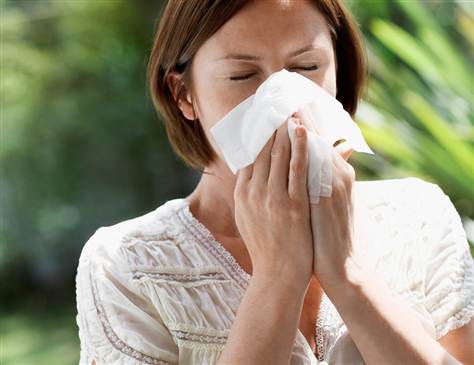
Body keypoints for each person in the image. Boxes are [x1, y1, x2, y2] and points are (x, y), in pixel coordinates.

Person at [75, 0, 474, 364]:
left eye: (306, 68)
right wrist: (277, 277)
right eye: (243, 75)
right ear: (183, 95)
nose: (285, 102)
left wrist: (347, 273)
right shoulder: (127, 265)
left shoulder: (419, 217)